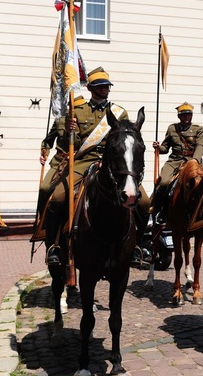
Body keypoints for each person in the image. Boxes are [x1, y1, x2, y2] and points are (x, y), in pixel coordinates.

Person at [40, 67, 150, 265]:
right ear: (90, 88)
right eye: (100, 86)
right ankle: (54, 245)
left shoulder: (119, 112)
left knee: (144, 202)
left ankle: (137, 246)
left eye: (107, 86)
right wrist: (68, 131)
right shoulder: (78, 110)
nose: (104, 89)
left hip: (114, 164)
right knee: (57, 197)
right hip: (84, 160)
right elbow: (67, 144)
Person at [151, 102, 203, 222]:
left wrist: (195, 161)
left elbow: (200, 146)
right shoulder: (172, 129)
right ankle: (158, 212)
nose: (186, 117)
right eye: (184, 115)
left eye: (188, 114)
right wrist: (158, 147)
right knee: (164, 183)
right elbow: (165, 148)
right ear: (179, 116)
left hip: (194, 160)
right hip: (175, 160)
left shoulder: (199, 129)